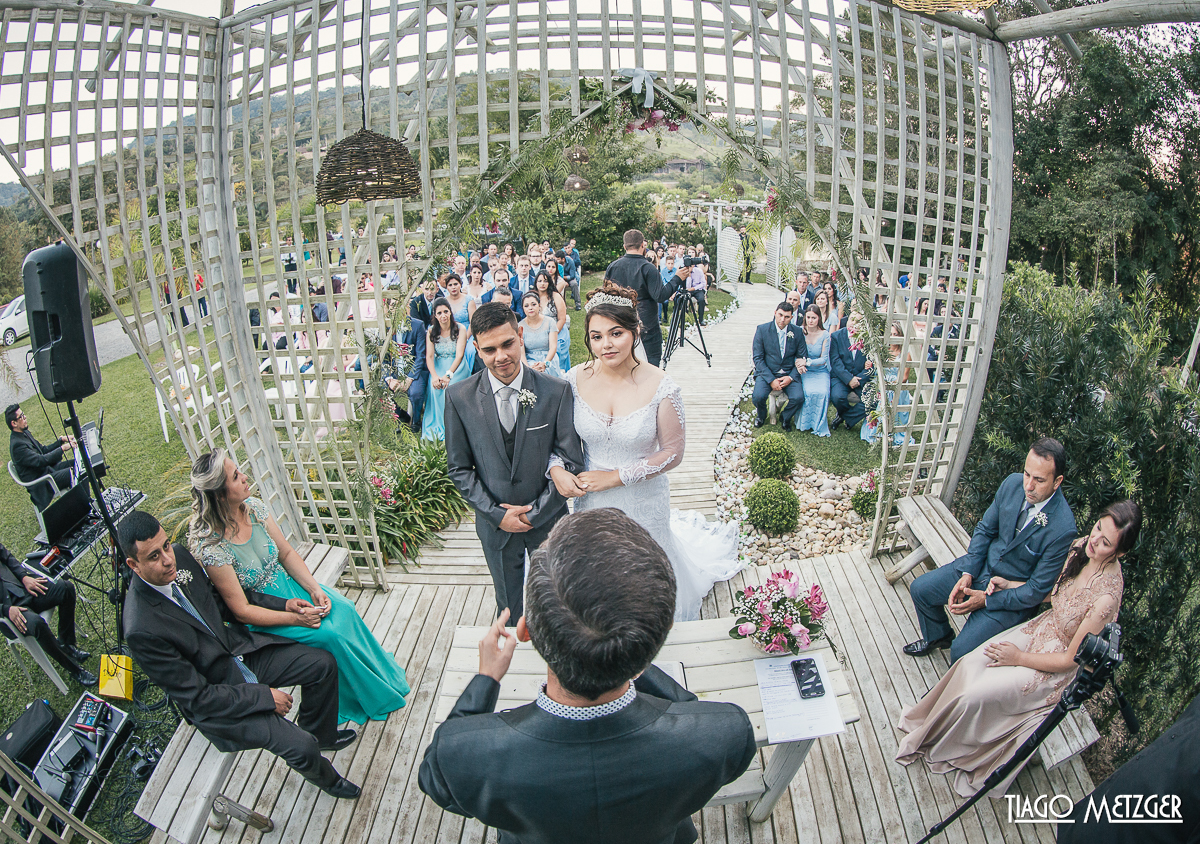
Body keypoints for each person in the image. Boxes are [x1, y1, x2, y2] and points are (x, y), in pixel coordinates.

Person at [418, 509, 757, 844]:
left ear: (524, 631)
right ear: (660, 635)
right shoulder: (725, 733)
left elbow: (436, 780)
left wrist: (486, 679)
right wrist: (632, 655)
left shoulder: (462, 754)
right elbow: (689, 714)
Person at [897, 500, 1140, 798]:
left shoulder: (1106, 599)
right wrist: (1011, 584)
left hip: (1055, 665)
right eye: (1098, 527)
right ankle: (932, 724)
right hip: (1041, 628)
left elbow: (1069, 660)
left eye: (1105, 543)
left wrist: (1018, 658)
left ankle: (954, 744)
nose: (1094, 540)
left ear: (1120, 553)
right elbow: (1053, 595)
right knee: (971, 663)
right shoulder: (1081, 546)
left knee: (979, 692)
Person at [121, 510, 361, 799]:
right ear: (133, 565)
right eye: (153, 557)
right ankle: (329, 781)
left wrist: (284, 605)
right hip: (220, 698)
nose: (168, 559)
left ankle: (321, 733)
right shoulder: (141, 628)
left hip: (240, 654)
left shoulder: (181, 558)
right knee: (300, 746)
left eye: (166, 546)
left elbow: (225, 602)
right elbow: (198, 699)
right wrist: (263, 696)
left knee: (322, 664)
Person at [548, 283, 742, 621]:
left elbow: (673, 452)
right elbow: (554, 439)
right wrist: (556, 470)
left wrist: (615, 478)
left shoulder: (661, 385)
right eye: (596, 336)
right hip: (591, 498)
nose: (606, 345)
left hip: (643, 497)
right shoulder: (573, 379)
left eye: (616, 333)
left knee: (645, 575)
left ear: (635, 330)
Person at [187, 451, 410, 725]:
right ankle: (354, 698)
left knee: (344, 608)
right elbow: (242, 611)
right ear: (220, 495)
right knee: (330, 635)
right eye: (236, 477)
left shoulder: (254, 509)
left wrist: (314, 588)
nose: (245, 477)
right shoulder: (213, 547)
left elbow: (287, 554)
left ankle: (380, 676)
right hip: (265, 612)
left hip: (291, 586)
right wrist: (295, 618)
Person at [444, 303, 584, 621]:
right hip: (495, 526)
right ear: (477, 349)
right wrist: (497, 516)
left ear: (520, 335)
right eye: (490, 349)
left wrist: (535, 514)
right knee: (507, 604)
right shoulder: (459, 397)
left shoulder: (555, 392)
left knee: (557, 598)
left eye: (507, 344)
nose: (501, 357)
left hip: (548, 520)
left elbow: (571, 461)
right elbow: (460, 469)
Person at [904, 438, 1078, 663]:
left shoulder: (1063, 528)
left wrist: (986, 601)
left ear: (1057, 482)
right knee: (920, 589)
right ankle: (939, 636)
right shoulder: (1011, 484)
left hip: (1009, 598)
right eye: (1027, 474)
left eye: (1039, 480)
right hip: (981, 567)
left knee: (960, 652)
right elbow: (985, 530)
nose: (1029, 485)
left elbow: (1035, 591)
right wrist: (968, 573)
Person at [1, 539, 95, 685]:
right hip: (8, 612)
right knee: (37, 624)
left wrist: (24, 577)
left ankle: (66, 644)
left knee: (66, 589)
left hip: (22, 588)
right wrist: (5, 610)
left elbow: (7, 557)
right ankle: (75, 670)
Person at [603, 229, 684, 367]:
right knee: (650, 367)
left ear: (624, 246)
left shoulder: (612, 267)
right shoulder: (648, 268)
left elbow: (606, 297)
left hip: (619, 323)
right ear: (643, 245)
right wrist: (677, 278)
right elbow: (660, 296)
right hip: (647, 325)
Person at [7, 404, 75, 510]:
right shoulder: (17, 446)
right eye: (21, 416)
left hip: (47, 471)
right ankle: (83, 509)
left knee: (78, 464)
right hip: (43, 483)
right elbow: (41, 460)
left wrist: (61, 441)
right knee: (75, 471)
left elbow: (42, 451)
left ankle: (84, 504)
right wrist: (63, 448)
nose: (25, 418)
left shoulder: (24, 433)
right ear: (14, 423)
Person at [750, 302, 805, 431]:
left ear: (791, 317)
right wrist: (771, 379)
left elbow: (801, 357)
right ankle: (761, 415)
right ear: (775, 313)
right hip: (767, 372)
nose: (782, 319)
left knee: (798, 398)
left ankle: (785, 418)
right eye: (780, 315)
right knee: (758, 397)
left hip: (788, 373)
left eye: (786, 317)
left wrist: (791, 377)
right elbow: (758, 358)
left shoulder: (797, 332)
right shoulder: (762, 330)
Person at [422, 297, 469, 440]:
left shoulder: (460, 328)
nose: (443, 316)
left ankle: (455, 424)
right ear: (435, 315)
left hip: (456, 366)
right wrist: (435, 376)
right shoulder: (431, 331)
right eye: (439, 313)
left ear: (450, 312)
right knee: (435, 387)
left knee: (451, 387)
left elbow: (460, 355)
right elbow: (429, 356)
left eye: (445, 312)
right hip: (438, 364)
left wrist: (448, 375)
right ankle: (439, 423)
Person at [829, 312, 873, 431]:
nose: (854, 323)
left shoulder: (869, 339)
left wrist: (859, 379)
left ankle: (847, 418)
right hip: (841, 377)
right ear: (847, 320)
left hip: (861, 378)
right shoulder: (836, 336)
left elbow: (872, 363)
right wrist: (849, 379)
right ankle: (846, 417)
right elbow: (835, 361)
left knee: (871, 400)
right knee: (837, 397)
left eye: (858, 321)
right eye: (852, 319)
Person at [383, 317, 428, 434]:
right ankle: (402, 416)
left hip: (413, 371)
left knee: (416, 393)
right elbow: (383, 357)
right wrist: (389, 378)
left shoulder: (418, 325)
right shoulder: (385, 326)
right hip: (394, 371)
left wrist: (409, 378)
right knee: (382, 388)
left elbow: (420, 355)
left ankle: (416, 420)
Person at [795, 305, 831, 437]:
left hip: (820, 371)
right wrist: (799, 365)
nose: (810, 321)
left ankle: (818, 424)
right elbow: (793, 352)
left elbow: (824, 359)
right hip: (805, 371)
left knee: (822, 392)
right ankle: (804, 423)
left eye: (814, 318)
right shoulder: (799, 331)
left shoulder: (825, 334)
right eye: (808, 317)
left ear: (819, 319)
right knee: (808, 391)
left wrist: (807, 362)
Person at [533, 270, 571, 373]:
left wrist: (551, 334)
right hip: (537, 331)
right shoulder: (532, 297)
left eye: (545, 281)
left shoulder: (555, 296)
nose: (542, 284)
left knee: (555, 350)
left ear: (549, 283)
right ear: (535, 282)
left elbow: (562, 319)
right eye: (539, 281)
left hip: (557, 331)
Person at [519, 292, 561, 377]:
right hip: (529, 360)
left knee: (546, 374)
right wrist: (528, 368)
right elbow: (521, 353)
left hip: (549, 359)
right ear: (523, 308)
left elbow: (553, 347)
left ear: (539, 305)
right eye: (526, 306)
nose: (530, 308)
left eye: (533, 304)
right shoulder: (520, 326)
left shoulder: (550, 322)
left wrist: (545, 363)